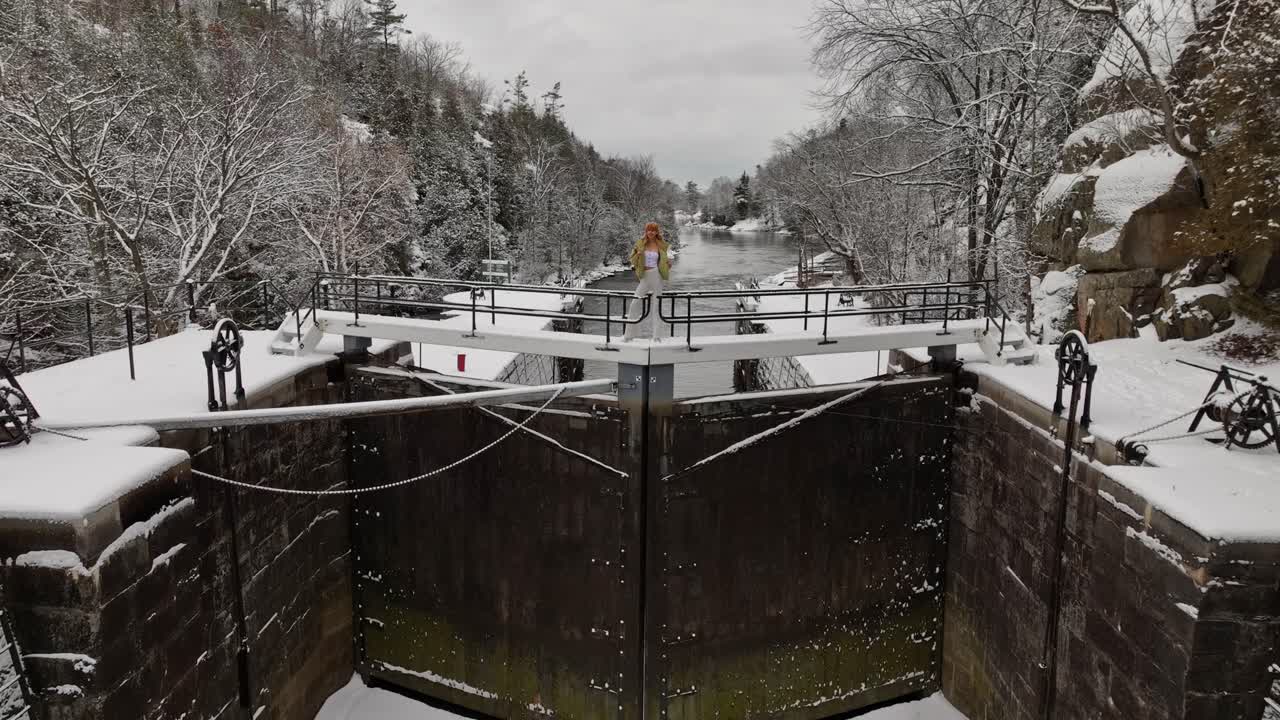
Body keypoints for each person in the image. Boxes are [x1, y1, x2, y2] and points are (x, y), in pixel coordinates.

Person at [623, 222, 671, 341]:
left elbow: (664, 262)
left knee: (656, 307)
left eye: (653, 230)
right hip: (644, 277)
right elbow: (632, 260)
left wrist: (668, 264)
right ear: (646, 231)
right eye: (649, 230)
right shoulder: (640, 243)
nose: (651, 232)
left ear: (657, 232)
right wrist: (638, 255)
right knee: (634, 304)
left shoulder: (661, 245)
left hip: (656, 276)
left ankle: (657, 336)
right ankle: (629, 335)